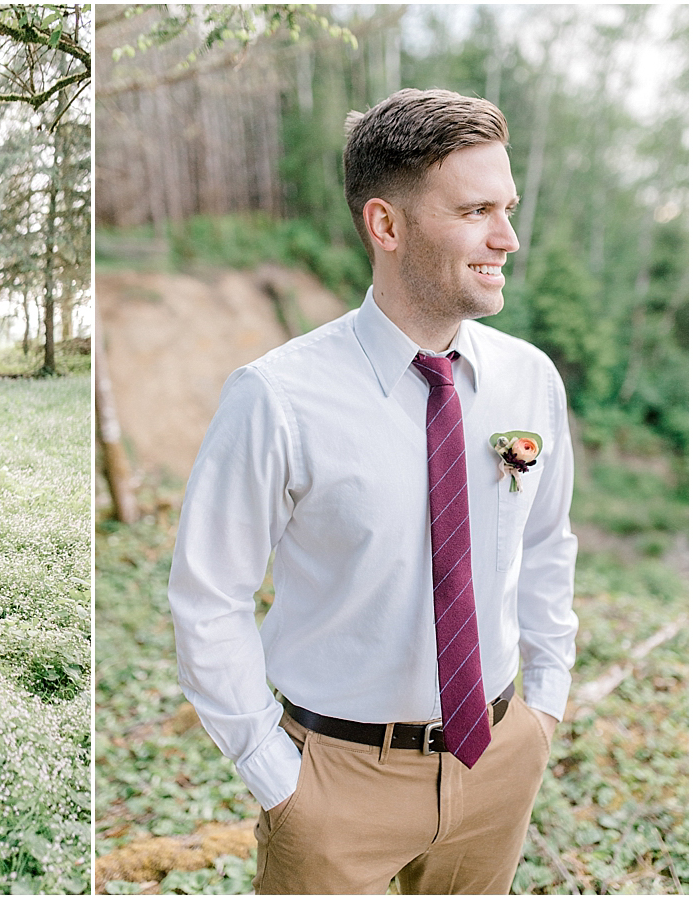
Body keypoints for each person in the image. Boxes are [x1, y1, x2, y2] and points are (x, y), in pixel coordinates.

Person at [167, 88, 578, 894]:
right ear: (385, 225)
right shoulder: (275, 397)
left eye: (509, 207)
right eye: (476, 211)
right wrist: (278, 776)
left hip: (498, 759)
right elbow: (209, 595)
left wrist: (546, 705)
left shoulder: (531, 379)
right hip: (334, 786)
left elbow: (545, 545)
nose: (509, 237)